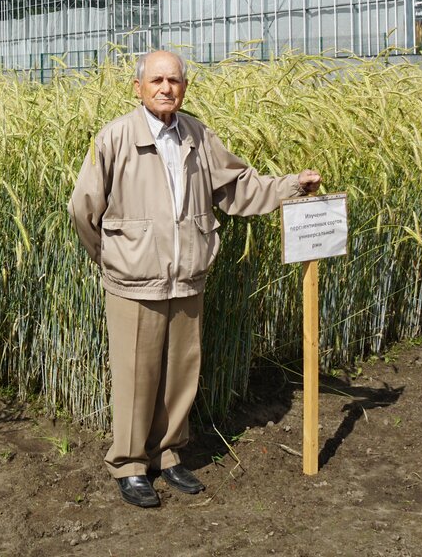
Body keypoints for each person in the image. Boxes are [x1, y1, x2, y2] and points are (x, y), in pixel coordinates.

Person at [68, 49, 321, 508]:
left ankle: (167, 456)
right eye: (157, 80)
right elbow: (83, 209)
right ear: (138, 87)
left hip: (187, 277)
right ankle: (128, 464)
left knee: (181, 374)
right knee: (135, 374)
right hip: (134, 280)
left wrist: (290, 187)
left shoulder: (198, 136)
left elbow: (239, 187)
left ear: (184, 86)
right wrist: (114, 258)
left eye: (175, 81)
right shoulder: (114, 138)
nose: (166, 88)